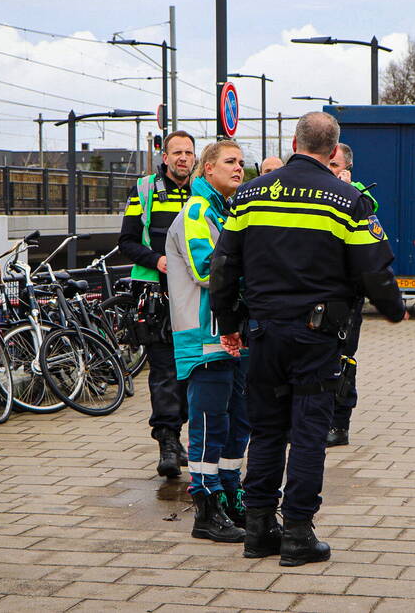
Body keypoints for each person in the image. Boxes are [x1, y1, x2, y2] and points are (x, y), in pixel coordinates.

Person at [210, 111, 407, 567]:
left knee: (266, 432)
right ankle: (298, 534)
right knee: (309, 435)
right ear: (333, 151)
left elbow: (224, 265)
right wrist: (395, 311)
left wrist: (228, 323)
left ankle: (258, 531)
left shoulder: (249, 195)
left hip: (262, 334)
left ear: (294, 141)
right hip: (317, 338)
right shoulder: (346, 199)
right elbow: (373, 268)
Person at [166, 140, 250, 543]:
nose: (240, 168)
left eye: (241, 163)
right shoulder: (198, 211)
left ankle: (231, 495)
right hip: (204, 336)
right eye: (230, 162)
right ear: (208, 169)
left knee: (237, 423)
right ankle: (205, 506)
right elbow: (206, 269)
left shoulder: (224, 209)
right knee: (208, 423)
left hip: (227, 334)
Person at [118, 130, 195, 479]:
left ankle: (176, 434)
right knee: (164, 372)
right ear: (164, 158)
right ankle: (166, 442)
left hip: (194, 296)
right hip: (156, 296)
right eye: (176, 152)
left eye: (188, 152)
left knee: (189, 372)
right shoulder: (146, 190)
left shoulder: (201, 192)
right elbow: (127, 242)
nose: (182, 158)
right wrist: (157, 260)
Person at [323, 142, 377, 447]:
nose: (329, 170)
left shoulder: (359, 198)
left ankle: (339, 424)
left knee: (342, 358)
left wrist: (349, 192)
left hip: (346, 297)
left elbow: (369, 220)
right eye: (327, 164)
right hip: (316, 291)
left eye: (335, 165)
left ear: (347, 171)